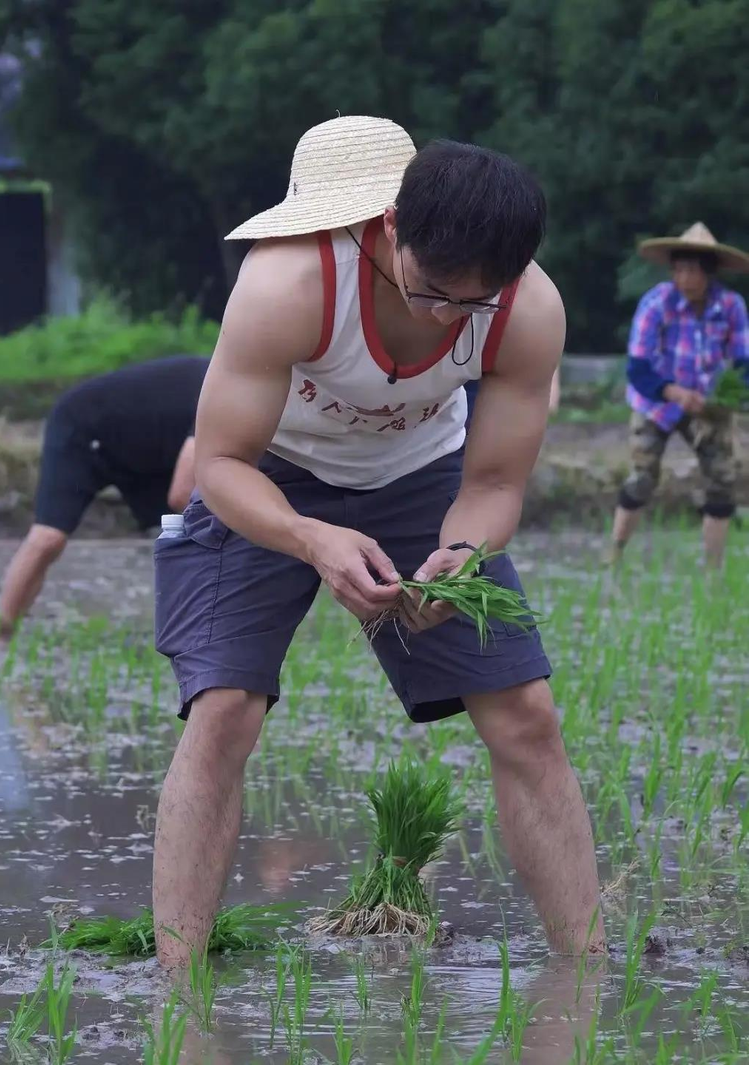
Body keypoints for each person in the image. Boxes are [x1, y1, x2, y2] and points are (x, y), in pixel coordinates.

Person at [152, 116, 604, 966]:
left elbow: (495, 481)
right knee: (223, 711)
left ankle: (588, 973)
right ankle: (179, 991)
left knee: (526, 715)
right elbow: (218, 463)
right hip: (268, 475)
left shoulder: (527, 310)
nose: (447, 316)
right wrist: (311, 537)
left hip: (421, 474)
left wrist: (461, 557)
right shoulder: (289, 283)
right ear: (389, 228)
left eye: (476, 300)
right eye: (431, 287)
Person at [0, 354, 208, 635]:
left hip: (146, 452)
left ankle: (196, 631)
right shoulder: (224, 392)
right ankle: (0, 636)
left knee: (192, 536)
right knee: (49, 538)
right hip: (84, 429)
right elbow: (183, 494)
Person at [611, 223, 749, 567]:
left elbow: (743, 363)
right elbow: (638, 367)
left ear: (708, 272)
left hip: (708, 404)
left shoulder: (730, 306)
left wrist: (723, 398)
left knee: (722, 477)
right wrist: (674, 393)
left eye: (691, 269)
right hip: (657, 402)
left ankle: (713, 570)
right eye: (679, 269)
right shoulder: (657, 303)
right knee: (643, 476)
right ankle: (613, 555)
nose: (684, 277)